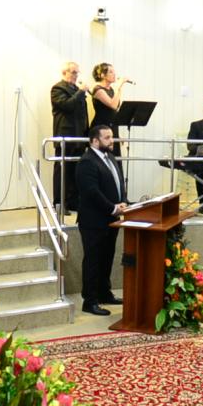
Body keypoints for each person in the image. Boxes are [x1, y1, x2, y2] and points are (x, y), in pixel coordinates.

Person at [75, 125, 126, 315]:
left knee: (107, 258)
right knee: (93, 260)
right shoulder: (87, 162)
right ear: (95, 141)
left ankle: (105, 293)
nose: (111, 141)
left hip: (111, 219)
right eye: (107, 138)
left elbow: (117, 182)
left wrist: (123, 201)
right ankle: (90, 301)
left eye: (111, 137)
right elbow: (91, 192)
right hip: (93, 221)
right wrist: (113, 207)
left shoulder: (109, 156)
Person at [50, 61, 89, 213]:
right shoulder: (58, 88)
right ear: (64, 72)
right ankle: (59, 204)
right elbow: (67, 105)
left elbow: (82, 114)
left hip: (79, 137)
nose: (75, 75)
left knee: (76, 171)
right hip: (65, 136)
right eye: (73, 72)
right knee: (62, 171)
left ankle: (73, 201)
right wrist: (81, 92)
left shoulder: (76, 89)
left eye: (77, 73)